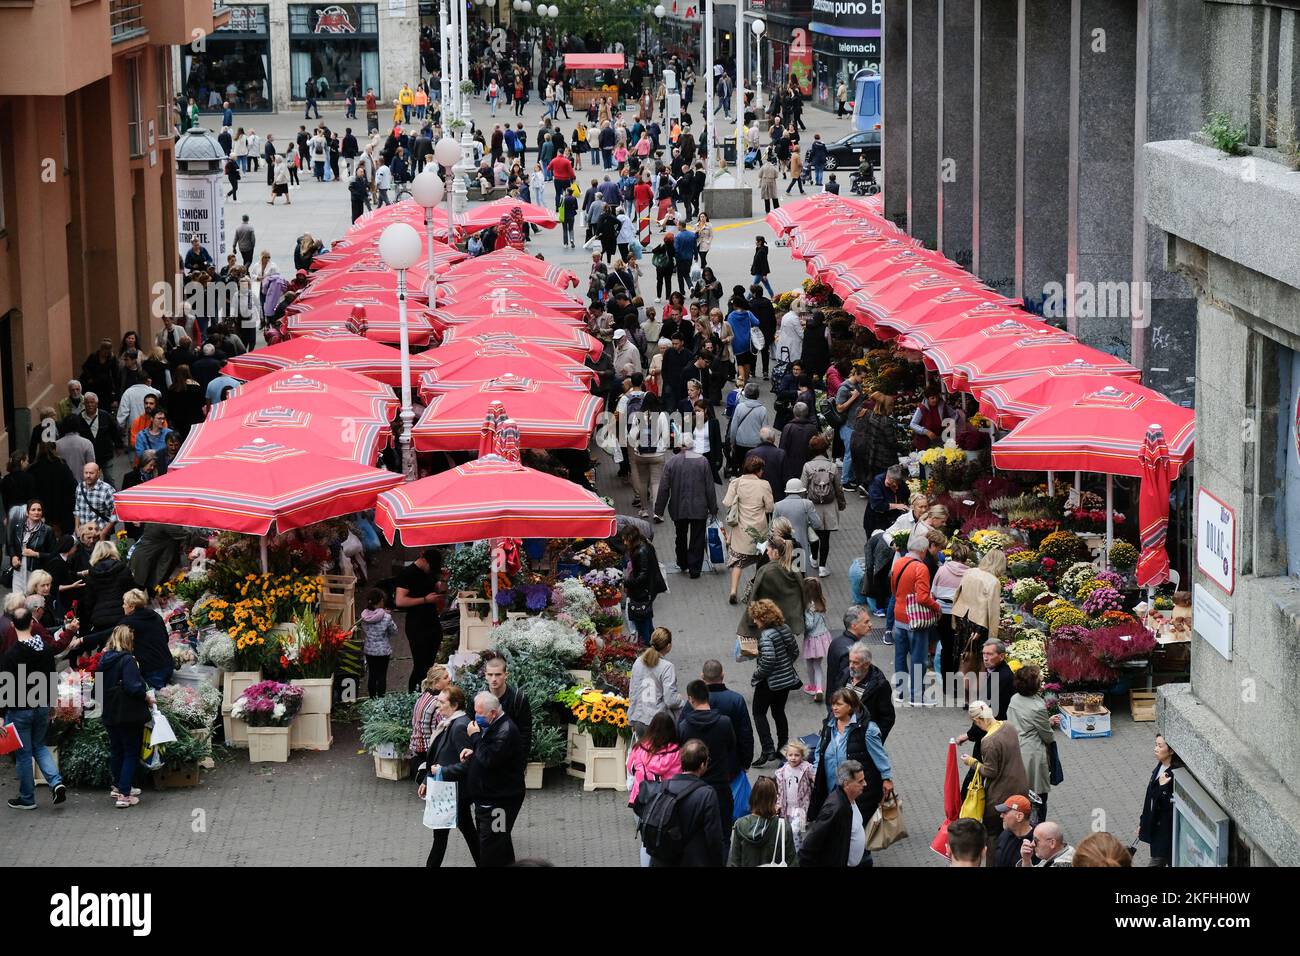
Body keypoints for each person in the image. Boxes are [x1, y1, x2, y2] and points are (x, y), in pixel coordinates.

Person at [1, 608, 68, 810]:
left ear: (13, 625)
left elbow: (5, 686)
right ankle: (56, 782)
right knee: (39, 745)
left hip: (19, 709)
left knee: (23, 754)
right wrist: (52, 703)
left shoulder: (11, 654)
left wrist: (1, 716)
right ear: (32, 622)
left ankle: (27, 798)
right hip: (41, 705)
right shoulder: (45, 650)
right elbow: (50, 677)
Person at [416, 684, 479, 867]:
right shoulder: (451, 723)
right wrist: (429, 778)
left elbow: (468, 763)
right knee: (466, 833)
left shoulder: (459, 726)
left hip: (453, 793)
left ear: (454, 704)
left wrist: (441, 772)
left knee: (443, 837)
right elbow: (439, 754)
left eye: (442, 703)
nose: (438, 706)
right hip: (448, 791)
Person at [961, 699, 1031, 856]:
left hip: (1000, 796)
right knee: (1017, 832)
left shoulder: (989, 742)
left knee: (993, 835)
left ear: (977, 720)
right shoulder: (1009, 726)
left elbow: (990, 772)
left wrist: (972, 762)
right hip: (1021, 789)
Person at [98, 623, 154, 808]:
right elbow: (133, 687)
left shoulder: (103, 659)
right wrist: (146, 696)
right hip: (127, 713)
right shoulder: (128, 660)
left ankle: (119, 786)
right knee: (131, 751)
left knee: (117, 750)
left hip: (109, 712)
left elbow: (97, 689)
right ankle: (124, 795)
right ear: (128, 640)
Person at [646, 738, 726, 867]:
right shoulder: (707, 794)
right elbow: (714, 837)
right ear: (702, 765)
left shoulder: (663, 787)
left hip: (662, 860)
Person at [745, 597, 803, 768]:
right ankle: (782, 747)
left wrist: (757, 674)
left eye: (756, 618)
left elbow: (768, 660)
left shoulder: (765, 637)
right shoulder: (784, 628)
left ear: (763, 618)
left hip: (768, 683)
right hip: (785, 681)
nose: (754, 621)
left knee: (758, 712)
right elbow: (794, 651)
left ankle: (767, 749)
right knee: (779, 712)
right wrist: (785, 665)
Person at [676, 679, 738, 838]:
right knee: (723, 834)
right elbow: (732, 747)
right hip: (720, 788)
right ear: (707, 696)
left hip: (692, 789)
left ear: (690, 699)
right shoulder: (725, 723)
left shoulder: (683, 727)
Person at [891, 526, 946, 705]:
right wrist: (936, 606)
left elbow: (894, 590)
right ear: (923, 550)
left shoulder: (899, 562)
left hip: (898, 618)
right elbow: (922, 597)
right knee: (918, 658)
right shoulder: (920, 568)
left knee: (900, 656)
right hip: (914, 621)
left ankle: (899, 692)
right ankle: (916, 696)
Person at [653, 433, 716, 578]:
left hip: (678, 507)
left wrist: (659, 510)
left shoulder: (672, 462)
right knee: (697, 538)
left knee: (680, 536)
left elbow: (663, 488)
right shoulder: (703, 461)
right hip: (699, 507)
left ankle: (682, 562)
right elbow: (709, 487)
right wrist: (713, 508)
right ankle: (695, 569)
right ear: (692, 445)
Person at [626, 711, 683, 866]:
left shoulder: (639, 748)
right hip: (667, 803)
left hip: (642, 800)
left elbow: (630, 769)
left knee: (646, 840)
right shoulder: (677, 752)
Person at [1006, 665, 1060, 821]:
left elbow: (1024, 723)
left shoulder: (1015, 698)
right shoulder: (1037, 707)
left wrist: (1045, 721)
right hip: (1033, 755)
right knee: (1038, 798)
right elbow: (1048, 736)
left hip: (1016, 749)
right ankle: (1036, 830)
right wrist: (1048, 724)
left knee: (1020, 794)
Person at [950, 549, 1006, 692]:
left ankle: (967, 698)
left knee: (966, 659)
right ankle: (978, 698)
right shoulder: (993, 582)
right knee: (981, 663)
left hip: (963, 618)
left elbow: (958, 594)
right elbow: (991, 610)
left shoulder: (970, 572)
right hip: (979, 625)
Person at [720, 454, 774, 603]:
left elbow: (727, 502)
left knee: (738, 562)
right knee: (761, 560)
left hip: (741, 529)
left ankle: (733, 591)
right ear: (758, 470)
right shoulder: (764, 484)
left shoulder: (736, 483)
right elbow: (770, 508)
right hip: (759, 530)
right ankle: (757, 590)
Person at [799, 759, 869, 867]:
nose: (865, 784)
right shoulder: (834, 808)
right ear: (847, 784)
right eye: (860, 781)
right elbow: (811, 842)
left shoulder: (852, 799)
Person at [394, 549, 446, 693]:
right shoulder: (407, 574)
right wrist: (424, 600)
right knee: (420, 665)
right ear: (424, 560)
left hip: (432, 621)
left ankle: (428, 693)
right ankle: (414, 694)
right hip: (416, 624)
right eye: (431, 567)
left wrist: (443, 582)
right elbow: (400, 600)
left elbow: (438, 588)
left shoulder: (430, 573)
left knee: (429, 663)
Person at [800, 435, 846, 577]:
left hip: (812, 505)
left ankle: (814, 558)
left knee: (813, 534)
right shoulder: (832, 467)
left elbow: (802, 487)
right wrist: (841, 503)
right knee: (825, 537)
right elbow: (838, 487)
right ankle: (822, 567)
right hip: (829, 505)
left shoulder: (808, 466)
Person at [729, 776, 799, 867]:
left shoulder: (740, 825)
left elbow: (735, 861)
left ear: (753, 797)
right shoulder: (783, 827)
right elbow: (792, 861)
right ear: (774, 799)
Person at [628, 628, 683, 735]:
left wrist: (631, 719)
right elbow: (670, 700)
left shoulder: (638, 662)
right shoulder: (667, 667)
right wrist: (680, 700)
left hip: (639, 719)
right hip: (658, 723)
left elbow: (633, 692)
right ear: (668, 646)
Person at [1136, 734, 1181, 866]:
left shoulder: (1174, 774)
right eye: (1156, 744)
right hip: (1155, 827)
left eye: (1160, 746)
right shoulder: (1160, 766)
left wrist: (1163, 788)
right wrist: (1143, 822)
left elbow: (1170, 806)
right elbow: (1149, 800)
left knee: (1159, 860)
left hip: (1165, 831)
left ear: (1171, 751)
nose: (1156, 748)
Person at [622, 523, 667, 646]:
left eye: (625, 539)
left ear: (630, 538)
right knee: (646, 620)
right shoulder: (645, 544)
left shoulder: (640, 551)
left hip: (643, 592)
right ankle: (655, 645)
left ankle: (647, 650)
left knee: (642, 623)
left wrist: (625, 582)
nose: (625, 543)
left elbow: (642, 576)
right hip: (648, 590)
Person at [7, 499, 55, 596]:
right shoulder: (18, 527)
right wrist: (13, 557)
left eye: (39, 510)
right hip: (18, 570)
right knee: (17, 601)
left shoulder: (47, 530)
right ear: (27, 513)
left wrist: (35, 554)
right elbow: (11, 545)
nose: (36, 512)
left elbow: (53, 555)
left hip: (35, 572)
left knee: (32, 602)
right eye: (33, 510)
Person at [800, 577, 833, 702]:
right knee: (818, 665)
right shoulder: (822, 602)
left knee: (809, 663)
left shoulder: (810, 607)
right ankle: (819, 688)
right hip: (823, 637)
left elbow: (809, 625)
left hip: (812, 639)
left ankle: (813, 686)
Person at [359, 587, 396, 699]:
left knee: (372, 675)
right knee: (382, 675)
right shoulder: (386, 617)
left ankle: (372, 698)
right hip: (383, 651)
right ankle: (381, 700)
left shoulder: (364, 616)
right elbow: (394, 631)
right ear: (380, 601)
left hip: (369, 650)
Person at [992, 794, 1036, 867]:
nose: (1001, 816)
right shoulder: (1005, 834)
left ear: (1019, 816)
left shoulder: (1036, 843)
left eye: (1005, 812)